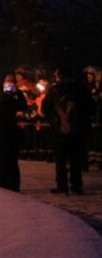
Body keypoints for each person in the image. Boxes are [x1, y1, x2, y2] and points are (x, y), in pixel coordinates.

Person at [44, 67, 93, 195]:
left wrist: (53, 121)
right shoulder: (81, 89)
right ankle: (76, 185)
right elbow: (90, 107)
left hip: (59, 127)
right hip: (77, 128)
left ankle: (62, 185)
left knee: (60, 158)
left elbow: (46, 107)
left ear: (59, 76)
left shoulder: (54, 90)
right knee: (75, 158)